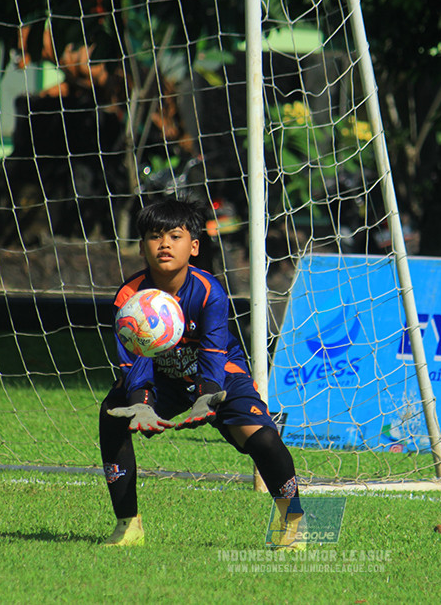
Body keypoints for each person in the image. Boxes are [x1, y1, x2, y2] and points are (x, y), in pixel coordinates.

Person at [99, 197, 303, 548]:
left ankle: (294, 523)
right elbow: (135, 361)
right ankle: (128, 525)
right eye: (154, 235)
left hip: (219, 375)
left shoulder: (209, 290)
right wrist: (140, 402)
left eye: (175, 236)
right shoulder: (130, 297)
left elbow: (213, 351)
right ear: (142, 246)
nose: (164, 244)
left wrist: (207, 396)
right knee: (111, 414)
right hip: (164, 378)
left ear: (193, 246)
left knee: (262, 437)